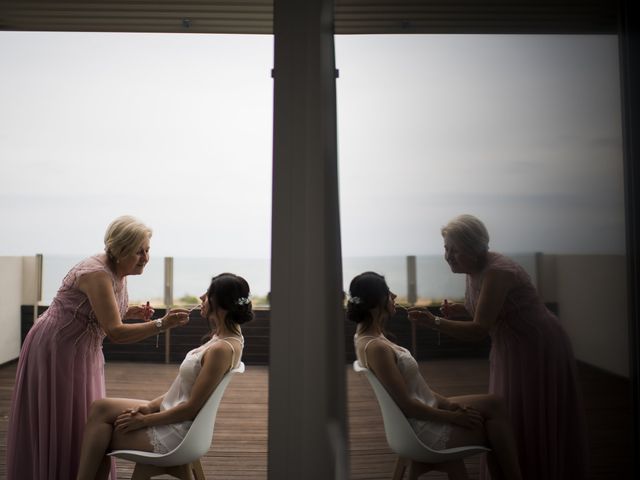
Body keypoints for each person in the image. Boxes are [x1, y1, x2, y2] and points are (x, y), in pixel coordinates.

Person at [6, 215, 190, 480]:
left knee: (82, 417)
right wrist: (163, 324)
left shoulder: (120, 270)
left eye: (147, 250)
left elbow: (102, 311)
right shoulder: (96, 273)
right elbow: (115, 332)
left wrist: (134, 311)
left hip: (84, 352)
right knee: (60, 419)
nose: (145, 257)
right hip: (56, 350)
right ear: (120, 250)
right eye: (139, 251)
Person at [408, 214, 588, 480]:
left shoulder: (497, 272)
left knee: (532, 414)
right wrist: (460, 310)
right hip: (510, 349)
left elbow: (479, 330)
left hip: (537, 348)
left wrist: (434, 322)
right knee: (512, 412)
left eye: (454, 250)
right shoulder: (473, 269)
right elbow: (487, 310)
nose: (448, 256)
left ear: (472, 249)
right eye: (446, 248)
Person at [75, 272, 253, 480]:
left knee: (100, 434)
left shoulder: (222, 349)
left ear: (220, 302)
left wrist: (145, 420)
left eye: (208, 293)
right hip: (172, 411)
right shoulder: (224, 338)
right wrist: (149, 406)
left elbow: (190, 409)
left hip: (178, 432)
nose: (201, 297)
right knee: (100, 407)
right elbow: (182, 389)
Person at [348, 271, 522, 480]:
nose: (393, 295)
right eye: (387, 292)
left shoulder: (368, 336)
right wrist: (454, 417)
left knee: (495, 403)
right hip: (421, 430)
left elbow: (418, 390)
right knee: (496, 430)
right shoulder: (376, 347)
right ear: (376, 302)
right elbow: (408, 405)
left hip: (425, 410)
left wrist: (448, 404)